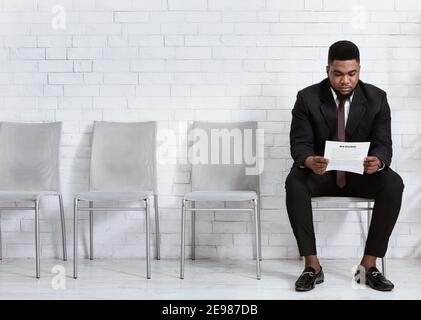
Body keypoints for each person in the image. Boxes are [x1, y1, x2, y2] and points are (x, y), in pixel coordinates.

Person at [285, 40, 404, 292]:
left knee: (393, 182)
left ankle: (368, 267)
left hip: (361, 174)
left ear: (360, 69)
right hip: (323, 173)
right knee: (294, 181)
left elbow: (384, 144)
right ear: (327, 69)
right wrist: (309, 160)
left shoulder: (377, 98)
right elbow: (299, 144)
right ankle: (312, 266)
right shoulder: (306, 98)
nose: (345, 81)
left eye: (352, 74)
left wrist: (378, 161)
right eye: (338, 74)